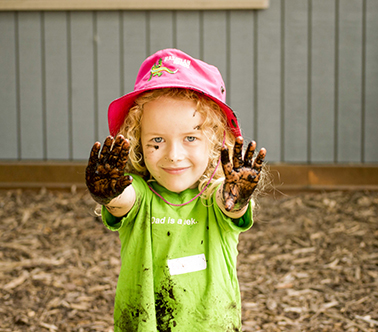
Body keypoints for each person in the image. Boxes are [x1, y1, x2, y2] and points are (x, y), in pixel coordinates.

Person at [85, 48, 266, 332]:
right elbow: (123, 201)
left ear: (215, 143)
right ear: (137, 142)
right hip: (141, 322)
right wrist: (108, 193)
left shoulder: (214, 195)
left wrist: (236, 196)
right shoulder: (142, 194)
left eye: (190, 138)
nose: (174, 154)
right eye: (157, 140)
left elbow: (228, 205)